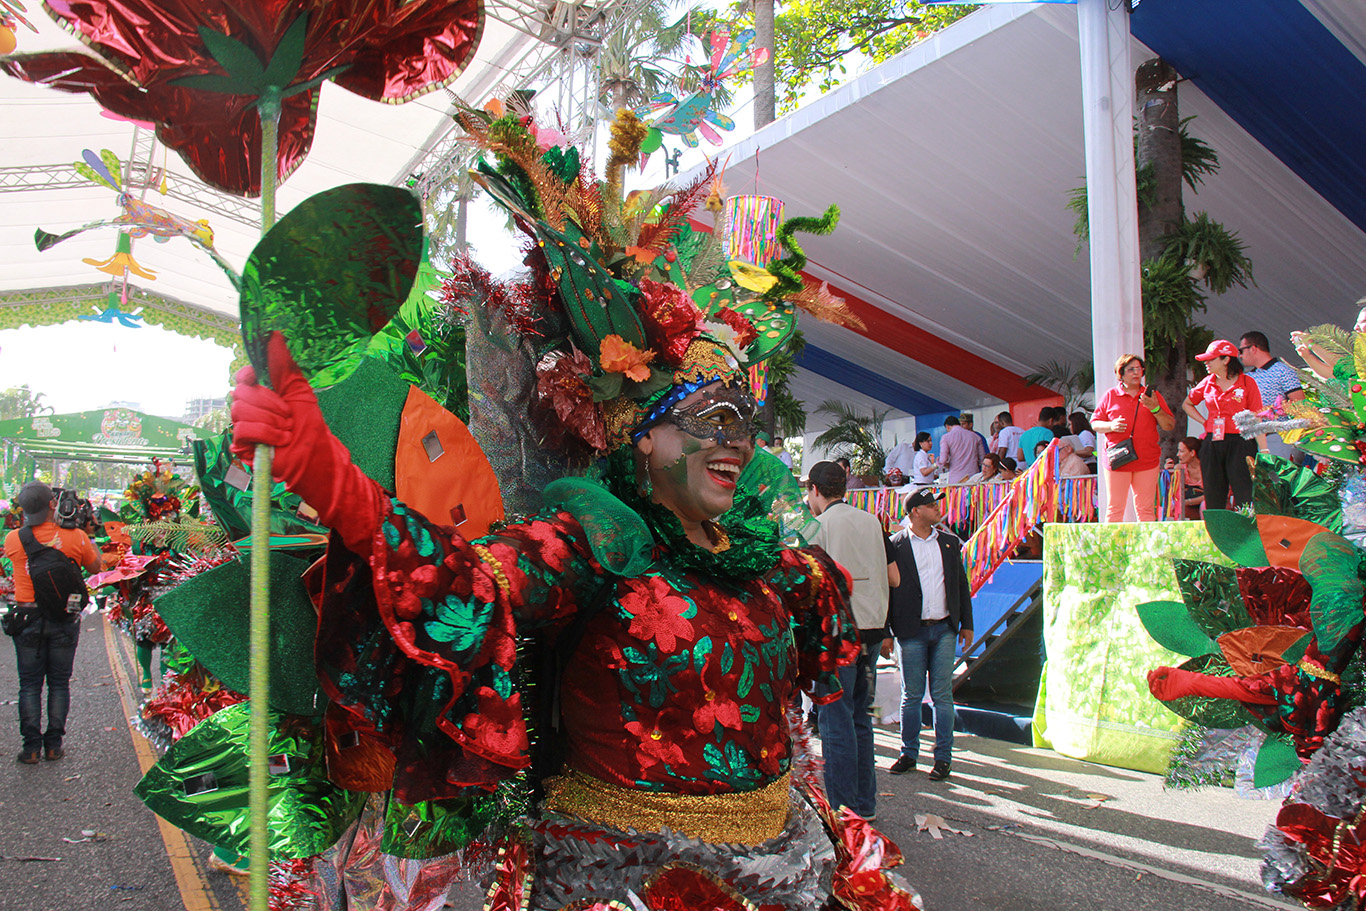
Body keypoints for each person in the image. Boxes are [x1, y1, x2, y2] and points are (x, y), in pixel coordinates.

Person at [805, 461, 898, 820]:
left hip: (838, 636)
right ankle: (864, 805)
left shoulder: (820, 526)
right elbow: (890, 576)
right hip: (872, 629)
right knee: (860, 718)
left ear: (814, 490)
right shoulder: (871, 521)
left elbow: (809, 581)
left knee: (836, 722)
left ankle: (844, 810)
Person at [4, 482, 100, 764]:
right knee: (59, 683)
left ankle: (31, 748)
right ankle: (54, 746)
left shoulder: (13, 539)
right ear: (51, 504)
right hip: (64, 619)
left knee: (29, 685)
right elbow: (96, 568)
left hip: (27, 619)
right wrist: (88, 535)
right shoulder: (76, 537)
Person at [885, 488, 973, 781]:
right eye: (931, 504)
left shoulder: (949, 542)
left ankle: (943, 758)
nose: (937, 508)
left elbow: (960, 584)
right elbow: (887, 590)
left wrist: (967, 624)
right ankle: (908, 753)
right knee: (911, 695)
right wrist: (886, 632)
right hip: (910, 631)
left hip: (944, 628)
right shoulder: (895, 545)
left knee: (942, 695)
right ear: (915, 512)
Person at [1183, 339, 1267, 510]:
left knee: (1244, 491)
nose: (1206, 363)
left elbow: (1256, 417)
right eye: (1205, 360)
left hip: (1241, 442)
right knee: (1213, 493)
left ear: (1226, 359)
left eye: (1211, 359)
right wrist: (1204, 421)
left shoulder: (1247, 382)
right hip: (1212, 442)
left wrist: (1264, 449)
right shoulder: (1208, 382)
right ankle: (1216, 526)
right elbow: (1187, 404)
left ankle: (1247, 526)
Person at [1091, 354, 1176, 522]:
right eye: (1131, 369)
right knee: (1115, 509)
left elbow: (1169, 425)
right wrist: (1111, 426)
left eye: (1139, 369)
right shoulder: (1110, 395)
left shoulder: (1151, 395)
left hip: (1147, 460)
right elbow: (1095, 423)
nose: (1136, 373)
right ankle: (1112, 541)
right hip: (1118, 459)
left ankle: (1147, 541)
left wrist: (1155, 408)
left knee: (1146, 510)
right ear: (1121, 373)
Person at [1239, 330, 1305, 461]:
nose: (1240, 356)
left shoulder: (1283, 371)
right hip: (1251, 439)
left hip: (1276, 436)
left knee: (1275, 472)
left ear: (1253, 349)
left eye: (1241, 350)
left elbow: (1301, 404)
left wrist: (1275, 411)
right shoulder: (1248, 376)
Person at [1164, 436, 1205, 520]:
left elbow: (1210, 496)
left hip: (1207, 504)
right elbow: (1174, 493)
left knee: (1205, 505)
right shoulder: (1180, 468)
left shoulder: (1207, 469)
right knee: (1173, 508)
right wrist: (1169, 474)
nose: (1178, 455)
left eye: (1181, 451)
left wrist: (1187, 502)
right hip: (1189, 507)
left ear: (1192, 453)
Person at [938, 415, 983, 484]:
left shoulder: (946, 437)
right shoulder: (975, 436)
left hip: (956, 478)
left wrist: (938, 462)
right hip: (973, 477)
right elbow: (982, 459)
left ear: (947, 426)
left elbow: (943, 460)